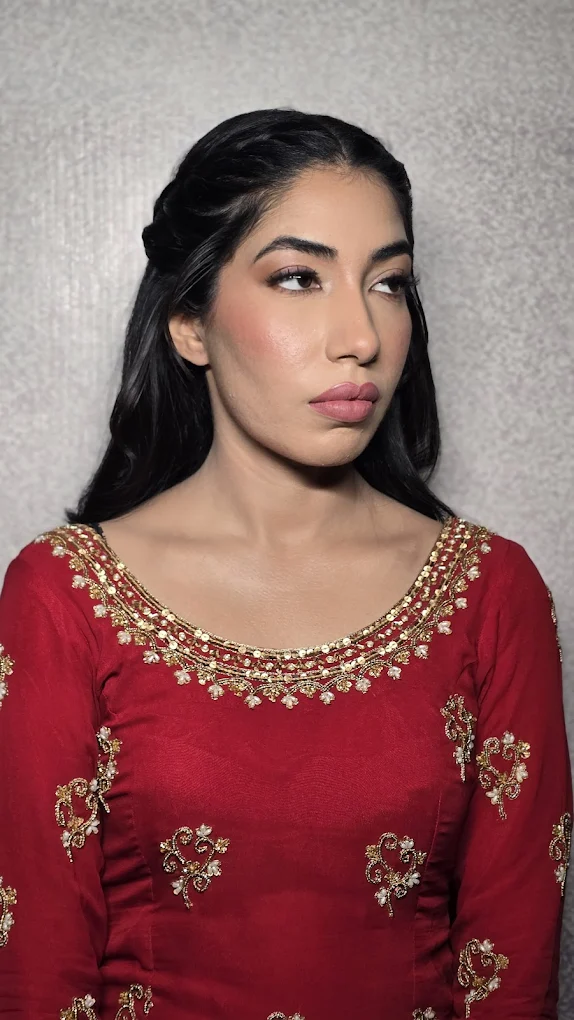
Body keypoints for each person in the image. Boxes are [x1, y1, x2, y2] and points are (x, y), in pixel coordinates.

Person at [0, 108, 571, 1020]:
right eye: (299, 277)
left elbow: (513, 975)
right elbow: (35, 973)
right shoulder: (63, 592)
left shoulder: (491, 592)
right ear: (189, 322)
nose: (362, 336)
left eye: (389, 284)